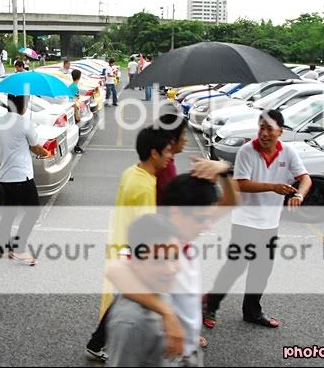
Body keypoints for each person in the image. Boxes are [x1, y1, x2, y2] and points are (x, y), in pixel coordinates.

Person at [106, 170, 239, 367]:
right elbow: (114, 269)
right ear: (177, 211)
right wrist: (168, 314)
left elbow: (231, 203)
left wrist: (225, 172)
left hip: (186, 351)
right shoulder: (155, 242)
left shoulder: (185, 238)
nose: (208, 227)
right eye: (202, 219)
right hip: (165, 353)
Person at [203, 110, 312, 329]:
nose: (263, 133)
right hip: (245, 220)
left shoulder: (288, 152)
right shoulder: (247, 151)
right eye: (261, 127)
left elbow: (305, 178)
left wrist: (299, 194)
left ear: (280, 131)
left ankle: (252, 312)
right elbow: (240, 183)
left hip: (270, 224)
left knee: (261, 270)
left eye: (269, 129)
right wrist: (274, 187)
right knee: (235, 267)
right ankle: (210, 306)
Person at [86, 127, 174, 362]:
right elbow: (147, 231)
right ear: (154, 153)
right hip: (130, 252)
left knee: (123, 299)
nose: (170, 157)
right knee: (132, 302)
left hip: (119, 242)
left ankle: (96, 342)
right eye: (167, 151)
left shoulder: (132, 172)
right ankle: (108, 345)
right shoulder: (145, 186)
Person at [106, 214, 181, 367]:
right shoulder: (131, 322)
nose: (170, 269)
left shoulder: (158, 286)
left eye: (174, 257)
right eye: (158, 260)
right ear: (135, 262)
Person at [0, 94, 52, 266]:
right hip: (21, 176)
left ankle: (3, 248)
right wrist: (46, 153)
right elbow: (35, 148)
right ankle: (19, 249)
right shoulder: (25, 124)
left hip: (4, 175)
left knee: (8, 214)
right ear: (23, 105)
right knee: (33, 212)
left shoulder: (0, 121)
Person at [69, 69, 85, 154]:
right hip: (75, 108)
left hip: (74, 107)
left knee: (77, 127)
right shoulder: (74, 87)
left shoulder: (71, 86)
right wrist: (76, 111)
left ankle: (77, 146)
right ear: (79, 77)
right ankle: (77, 147)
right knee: (77, 127)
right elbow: (73, 99)